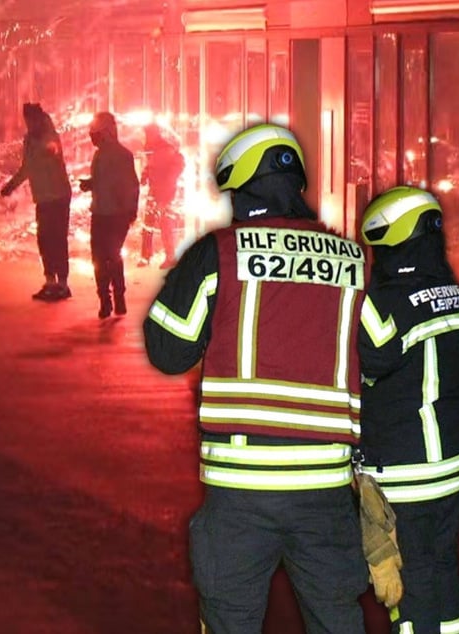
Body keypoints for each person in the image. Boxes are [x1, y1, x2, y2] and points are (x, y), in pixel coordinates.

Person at [143, 123, 370, 633]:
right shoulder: (355, 259)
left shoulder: (220, 254)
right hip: (325, 486)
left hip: (240, 490)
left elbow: (168, 351)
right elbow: (381, 358)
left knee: (231, 620)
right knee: (337, 620)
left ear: (245, 187)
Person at [358, 186, 459, 634]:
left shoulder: (382, 303)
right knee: (443, 563)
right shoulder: (456, 296)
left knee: (410, 577)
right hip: (458, 464)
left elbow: (368, 365)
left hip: (410, 471)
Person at [0, 103, 72, 301]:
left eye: (30, 120)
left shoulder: (49, 136)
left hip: (58, 195)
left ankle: (62, 283)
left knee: (57, 239)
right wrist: (11, 186)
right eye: (27, 120)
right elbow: (27, 168)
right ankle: (50, 281)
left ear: (38, 119)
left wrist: (49, 150)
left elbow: (53, 150)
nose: (28, 123)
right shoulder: (30, 140)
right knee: (44, 239)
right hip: (43, 197)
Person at [79, 112, 139, 318]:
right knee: (112, 256)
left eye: (94, 134)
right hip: (111, 213)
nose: (92, 138)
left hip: (109, 214)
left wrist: (129, 208)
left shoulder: (114, 155)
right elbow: (129, 184)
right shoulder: (116, 154)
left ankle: (107, 300)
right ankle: (116, 298)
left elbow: (127, 184)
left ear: (105, 133)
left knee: (101, 257)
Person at [140, 124, 185, 268]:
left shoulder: (165, 149)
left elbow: (175, 167)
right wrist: (145, 175)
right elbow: (151, 166)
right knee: (148, 224)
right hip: (156, 191)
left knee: (165, 224)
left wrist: (167, 187)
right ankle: (146, 256)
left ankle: (169, 256)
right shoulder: (153, 149)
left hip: (164, 192)